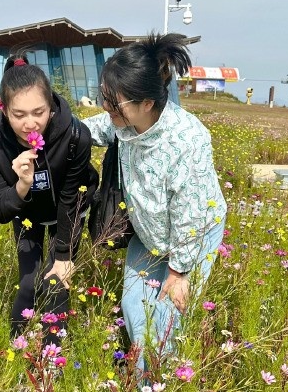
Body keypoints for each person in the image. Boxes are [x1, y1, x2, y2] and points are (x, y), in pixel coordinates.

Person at [81, 32, 227, 368]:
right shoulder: (123, 121)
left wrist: (178, 272)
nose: (106, 108)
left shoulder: (187, 140)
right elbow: (91, 129)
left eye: (113, 102)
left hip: (192, 239)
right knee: (135, 305)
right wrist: (50, 128)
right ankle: (144, 376)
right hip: (149, 234)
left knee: (166, 318)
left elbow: (191, 214)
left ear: (147, 103)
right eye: (104, 97)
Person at [0, 55, 98, 336]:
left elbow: (71, 197)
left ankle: (52, 360)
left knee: (56, 282)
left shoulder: (76, 135)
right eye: (19, 115)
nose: (30, 123)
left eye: (38, 112)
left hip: (65, 213)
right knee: (28, 283)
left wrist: (64, 255)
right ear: (3, 109)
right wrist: (21, 185)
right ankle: (17, 349)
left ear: (51, 104)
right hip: (26, 215)